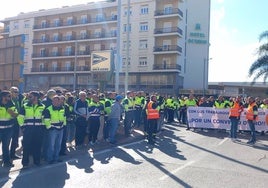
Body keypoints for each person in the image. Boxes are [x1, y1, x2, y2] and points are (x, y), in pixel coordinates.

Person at [17, 91, 46, 168]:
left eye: (31, 96)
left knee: (38, 145)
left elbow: (44, 118)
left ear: (36, 97)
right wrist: (22, 127)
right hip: (28, 129)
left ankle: (37, 161)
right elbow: (20, 117)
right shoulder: (25, 106)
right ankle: (25, 163)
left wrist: (43, 127)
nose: (28, 98)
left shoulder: (42, 106)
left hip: (38, 129)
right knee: (26, 146)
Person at [43, 95, 66, 164]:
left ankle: (56, 158)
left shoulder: (62, 108)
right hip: (53, 129)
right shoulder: (48, 109)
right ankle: (50, 159)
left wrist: (64, 125)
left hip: (61, 129)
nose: (55, 102)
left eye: (57, 101)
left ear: (59, 101)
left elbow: (64, 117)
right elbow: (46, 120)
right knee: (51, 145)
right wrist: (50, 127)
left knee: (58, 145)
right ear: (52, 102)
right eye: (54, 101)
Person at [0, 90, 18, 167]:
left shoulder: (12, 104)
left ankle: (6, 162)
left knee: (6, 146)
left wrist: (12, 113)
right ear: (3, 97)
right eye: (9, 96)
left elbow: (16, 115)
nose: (10, 97)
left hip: (8, 129)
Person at [9, 86, 24, 160]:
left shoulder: (19, 100)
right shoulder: (8, 100)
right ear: (10, 92)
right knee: (5, 140)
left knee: (15, 139)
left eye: (17, 91)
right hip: (8, 122)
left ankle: (12, 154)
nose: (17, 93)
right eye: (15, 91)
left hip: (16, 121)